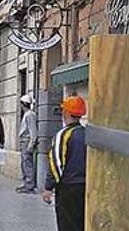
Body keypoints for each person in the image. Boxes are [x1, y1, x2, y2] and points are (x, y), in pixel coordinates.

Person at [42, 96, 87, 231]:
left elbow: (56, 163)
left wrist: (48, 187)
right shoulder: (88, 134)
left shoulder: (63, 135)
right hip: (86, 187)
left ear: (66, 113)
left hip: (68, 188)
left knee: (67, 224)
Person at [16, 93, 39, 193]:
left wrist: (31, 144)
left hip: (27, 141)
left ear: (23, 104)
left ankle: (29, 185)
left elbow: (33, 130)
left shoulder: (30, 115)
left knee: (27, 164)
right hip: (23, 141)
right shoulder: (27, 114)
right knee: (24, 164)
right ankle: (26, 183)